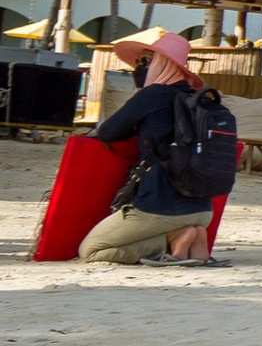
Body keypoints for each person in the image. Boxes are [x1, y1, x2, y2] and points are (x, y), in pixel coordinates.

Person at [81, 34, 226, 264]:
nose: (140, 68)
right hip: (203, 209)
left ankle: (173, 238)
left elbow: (108, 132)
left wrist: (139, 97)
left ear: (160, 63)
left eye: (145, 61)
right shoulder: (199, 100)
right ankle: (194, 238)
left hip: (161, 206)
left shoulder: (152, 95)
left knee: (91, 250)